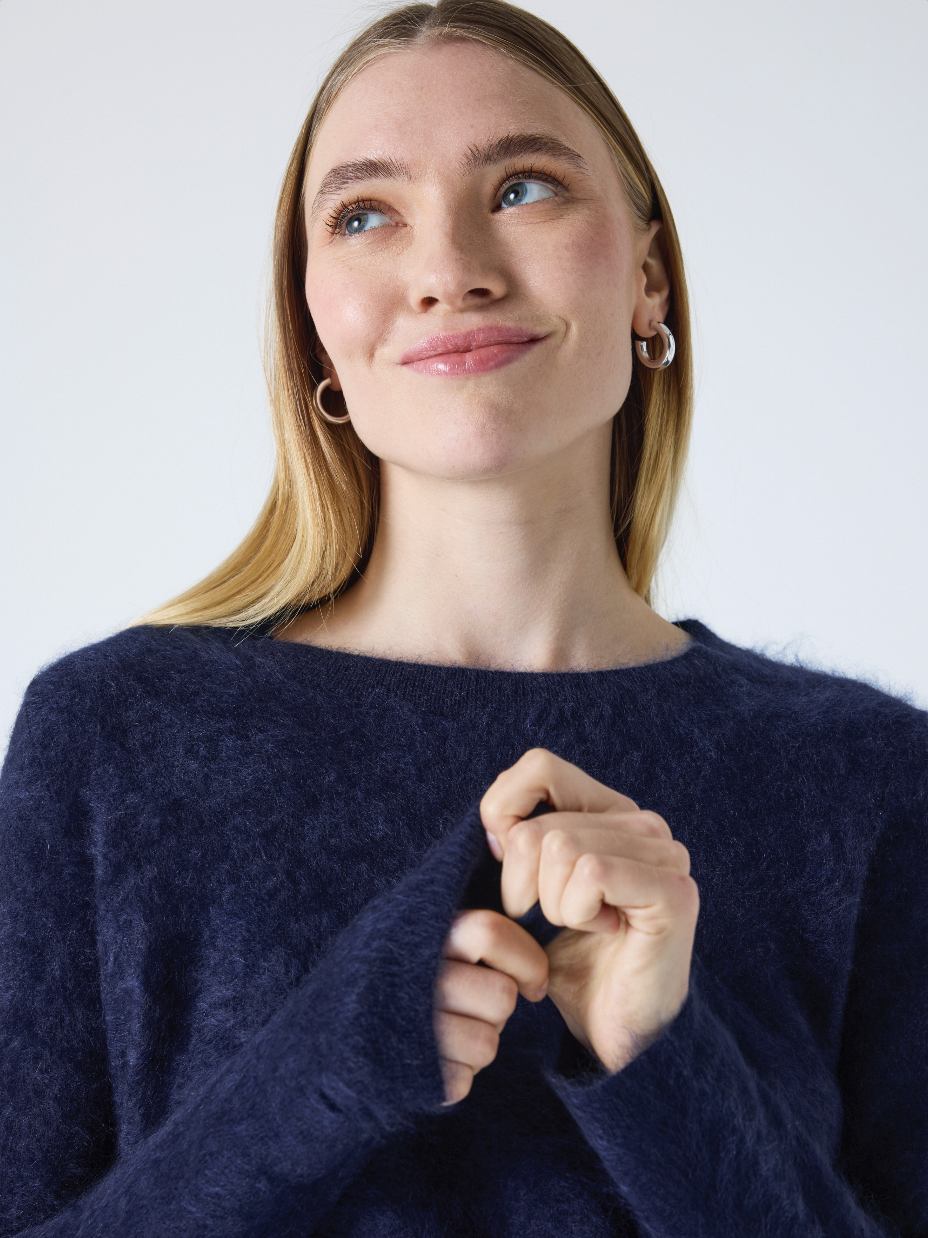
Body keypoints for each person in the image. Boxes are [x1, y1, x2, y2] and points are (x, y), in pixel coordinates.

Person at [1, 0, 925, 1234]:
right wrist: (325, 1064)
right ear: (316, 324)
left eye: (525, 187)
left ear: (649, 274)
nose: (448, 270)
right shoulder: (114, 740)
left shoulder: (865, 777)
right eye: (365, 214)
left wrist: (663, 1058)